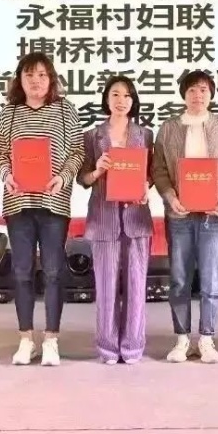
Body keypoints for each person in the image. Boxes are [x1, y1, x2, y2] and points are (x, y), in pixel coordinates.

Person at [0, 52, 85, 366]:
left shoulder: (65, 110)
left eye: (42, 75)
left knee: (54, 271)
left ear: (51, 79)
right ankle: (25, 339)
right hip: (18, 202)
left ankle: (51, 339)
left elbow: (77, 152)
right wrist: (6, 174)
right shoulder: (9, 113)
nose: (36, 81)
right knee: (21, 272)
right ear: (19, 80)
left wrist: (63, 177)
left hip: (53, 203)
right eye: (29, 75)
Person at [153, 70, 218, 364]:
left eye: (203, 89)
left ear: (211, 94)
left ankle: (206, 338)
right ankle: (181, 338)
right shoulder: (169, 128)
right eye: (192, 90)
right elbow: (158, 170)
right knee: (180, 279)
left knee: (212, 279)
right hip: (179, 215)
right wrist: (171, 197)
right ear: (184, 94)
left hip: (213, 216)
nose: (198, 95)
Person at [78, 75, 154, 365]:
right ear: (106, 99)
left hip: (136, 218)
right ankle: (108, 347)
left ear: (133, 101)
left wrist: (146, 186)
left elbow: (151, 173)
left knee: (136, 285)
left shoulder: (145, 135)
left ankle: (133, 346)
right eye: (115, 95)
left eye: (127, 95)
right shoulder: (92, 136)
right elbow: (83, 177)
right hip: (104, 218)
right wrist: (97, 171)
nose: (121, 101)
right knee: (106, 286)